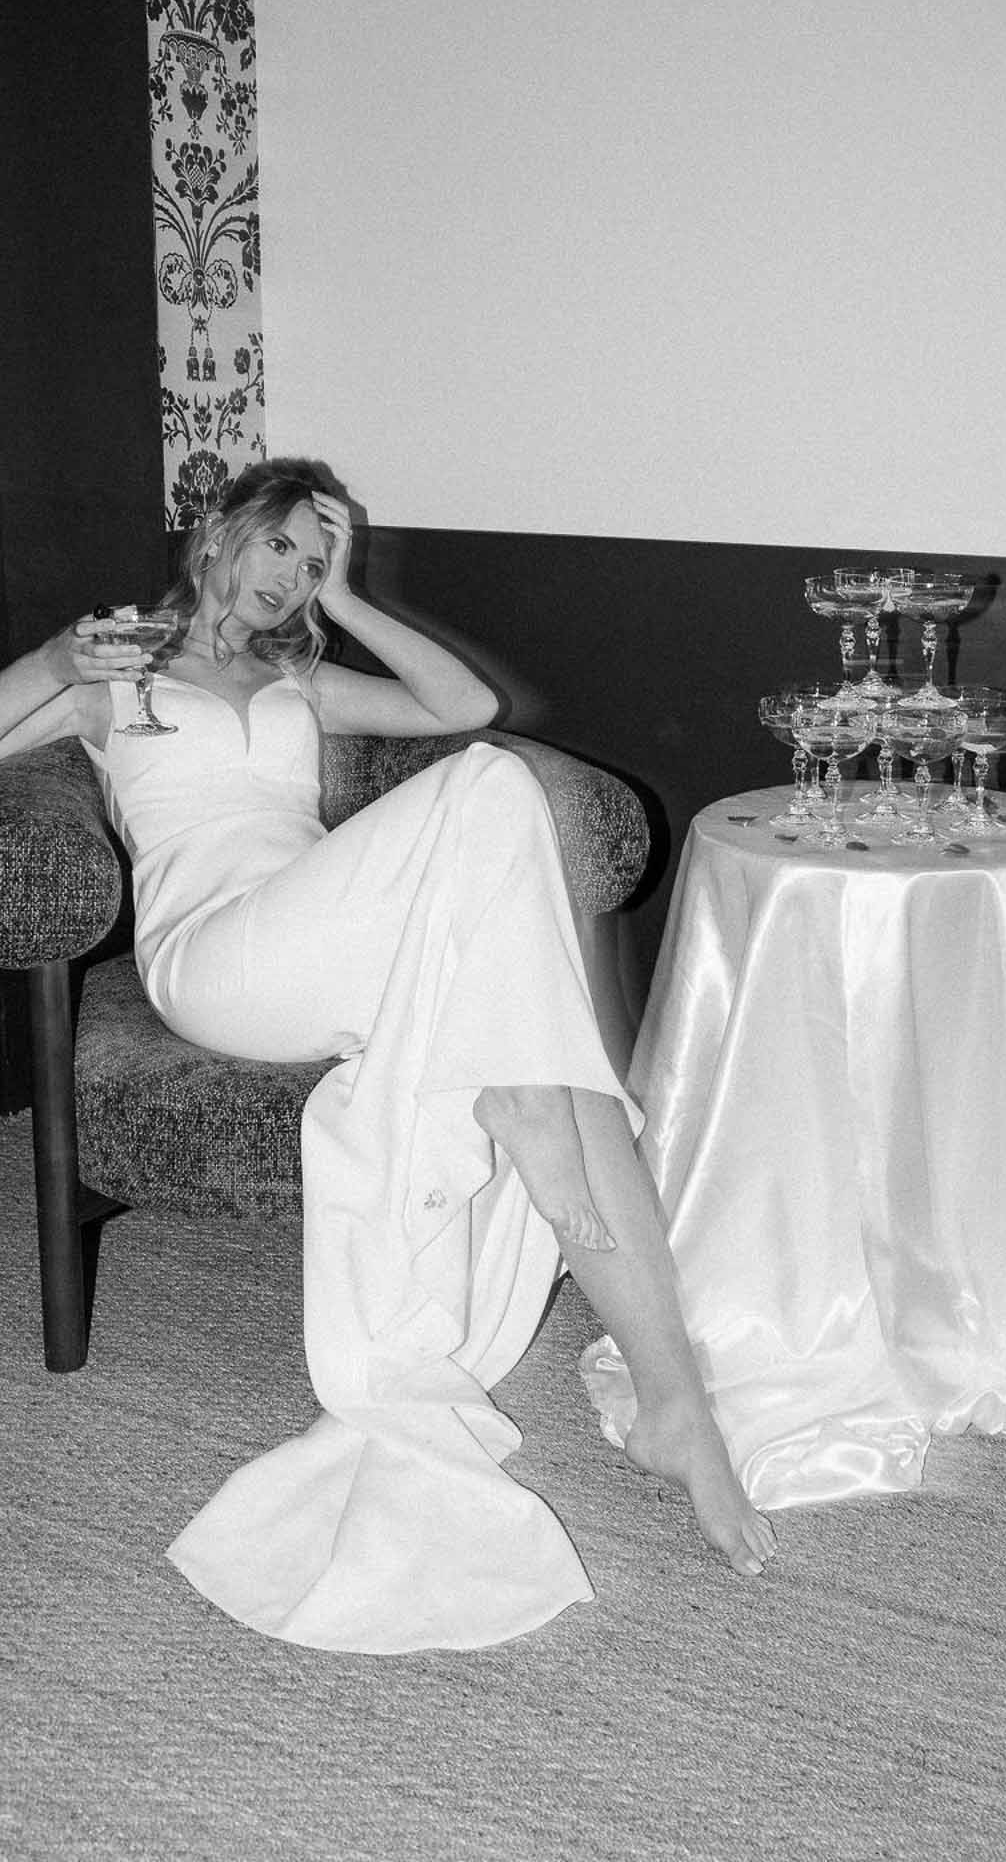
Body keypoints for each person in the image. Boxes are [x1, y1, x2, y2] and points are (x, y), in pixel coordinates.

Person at [0, 457, 776, 1651]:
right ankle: (541, 1137)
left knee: (537, 1009)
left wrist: (351, 597)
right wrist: (56, 664)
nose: (291, 576)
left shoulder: (302, 679)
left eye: (314, 560)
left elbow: (456, 700)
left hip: (332, 944)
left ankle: (678, 1404)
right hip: (218, 964)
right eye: (280, 545)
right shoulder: (121, 676)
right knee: (485, 795)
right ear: (217, 533)